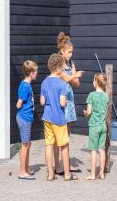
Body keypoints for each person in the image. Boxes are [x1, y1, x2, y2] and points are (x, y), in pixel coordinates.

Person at [40, 53, 78, 181]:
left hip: (47, 118)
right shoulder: (62, 84)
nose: (63, 69)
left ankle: (50, 173)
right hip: (59, 119)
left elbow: (41, 101)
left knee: (49, 145)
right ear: (58, 68)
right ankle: (67, 174)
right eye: (62, 67)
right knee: (64, 145)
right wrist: (65, 101)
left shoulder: (44, 82)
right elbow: (62, 103)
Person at [54, 32, 84, 174]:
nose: (71, 55)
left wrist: (73, 76)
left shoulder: (71, 63)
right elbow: (64, 78)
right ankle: (57, 165)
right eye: (69, 52)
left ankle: (66, 163)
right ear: (62, 51)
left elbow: (76, 83)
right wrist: (74, 76)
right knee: (58, 134)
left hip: (70, 101)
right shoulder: (58, 63)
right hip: (61, 100)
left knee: (67, 133)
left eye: (72, 52)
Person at [83, 73, 109, 180]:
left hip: (94, 125)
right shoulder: (106, 96)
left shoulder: (91, 95)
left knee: (93, 150)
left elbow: (89, 112)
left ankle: (93, 174)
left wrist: (85, 113)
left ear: (96, 82)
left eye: (93, 80)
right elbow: (106, 111)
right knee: (102, 149)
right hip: (103, 126)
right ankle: (101, 173)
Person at [16, 60, 38, 180]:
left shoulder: (26, 84)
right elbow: (18, 104)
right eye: (36, 72)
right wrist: (21, 104)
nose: (37, 74)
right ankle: (22, 172)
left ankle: (27, 168)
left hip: (27, 118)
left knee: (28, 144)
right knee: (25, 145)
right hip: (24, 118)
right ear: (31, 73)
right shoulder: (25, 86)